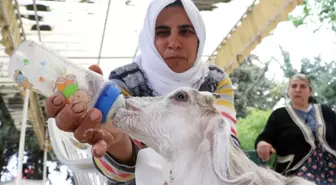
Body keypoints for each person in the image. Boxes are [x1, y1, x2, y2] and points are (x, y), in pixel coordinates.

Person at [46, 0, 239, 184]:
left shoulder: (215, 80)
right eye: (162, 32)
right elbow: (122, 170)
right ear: (148, 37)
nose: (174, 42)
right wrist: (116, 142)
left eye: (186, 31)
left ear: (199, 37)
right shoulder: (124, 80)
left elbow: (227, 148)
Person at [255, 73, 336, 185]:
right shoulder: (279, 115)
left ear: (310, 91)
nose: (298, 90)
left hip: (331, 166)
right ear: (289, 91)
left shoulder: (326, 111)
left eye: (303, 86)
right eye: (294, 86)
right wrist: (262, 144)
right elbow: (265, 137)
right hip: (296, 170)